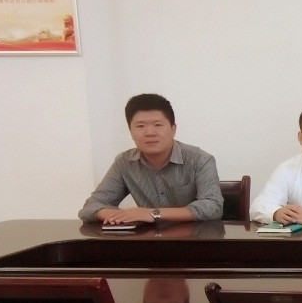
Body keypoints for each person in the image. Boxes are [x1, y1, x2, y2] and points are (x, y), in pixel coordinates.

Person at [79, 93, 222, 224]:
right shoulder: (124, 162)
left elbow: (212, 207)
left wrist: (153, 213)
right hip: (149, 240)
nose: (150, 133)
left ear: (173, 129)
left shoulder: (200, 160)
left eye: (158, 125)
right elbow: (91, 207)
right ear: (131, 132)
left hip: (195, 238)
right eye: (140, 126)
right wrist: (121, 216)